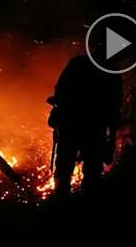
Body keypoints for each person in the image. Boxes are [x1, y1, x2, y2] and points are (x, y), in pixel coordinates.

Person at [48, 54, 122, 198]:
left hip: (72, 125)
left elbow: (60, 90)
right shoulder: (111, 71)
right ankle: (84, 203)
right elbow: (114, 107)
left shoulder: (78, 63)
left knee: (66, 167)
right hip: (92, 127)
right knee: (91, 169)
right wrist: (111, 138)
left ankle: (61, 202)